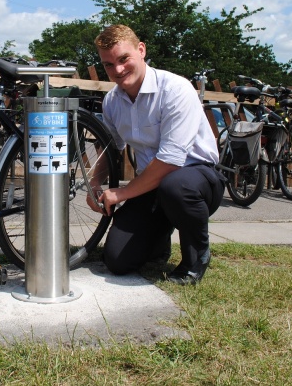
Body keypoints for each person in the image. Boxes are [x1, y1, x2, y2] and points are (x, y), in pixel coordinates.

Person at [88, 24, 225, 285]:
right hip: (152, 184)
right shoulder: (112, 101)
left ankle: (195, 258)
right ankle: (158, 243)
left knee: (176, 186)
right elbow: (110, 147)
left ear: (141, 50)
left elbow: (172, 161)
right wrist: (94, 183)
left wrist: (122, 193)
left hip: (196, 179)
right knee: (117, 260)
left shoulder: (175, 89)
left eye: (123, 59)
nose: (117, 70)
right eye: (108, 64)